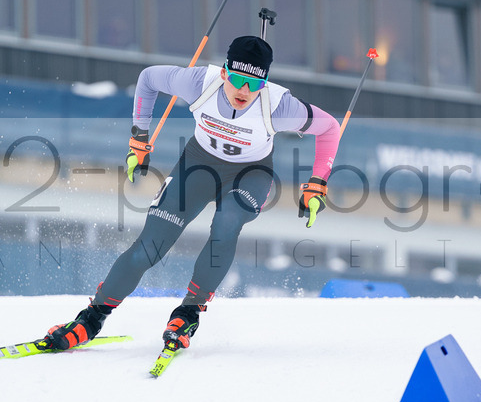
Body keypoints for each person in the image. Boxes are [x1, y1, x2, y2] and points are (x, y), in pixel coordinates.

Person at [43, 36, 340, 352]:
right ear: (225, 72)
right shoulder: (199, 82)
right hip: (197, 165)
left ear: (264, 84)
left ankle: (188, 311)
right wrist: (139, 140)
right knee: (148, 248)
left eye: (254, 84)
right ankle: (91, 318)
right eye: (238, 79)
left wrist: (317, 183)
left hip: (249, 175)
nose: (243, 91)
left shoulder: (280, 107)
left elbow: (330, 128)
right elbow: (148, 80)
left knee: (226, 223)